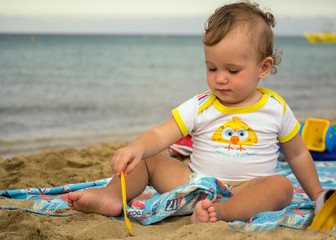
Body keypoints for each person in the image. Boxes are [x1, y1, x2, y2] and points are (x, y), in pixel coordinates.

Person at [67, 1, 323, 223]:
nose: (220, 79)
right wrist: (135, 148)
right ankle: (112, 197)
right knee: (150, 158)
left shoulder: (276, 108)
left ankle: (220, 212)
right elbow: (159, 135)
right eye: (212, 68)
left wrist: (318, 196)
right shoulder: (201, 105)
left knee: (281, 187)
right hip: (195, 186)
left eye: (232, 71)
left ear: (263, 68)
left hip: (249, 191)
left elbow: (298, 154)